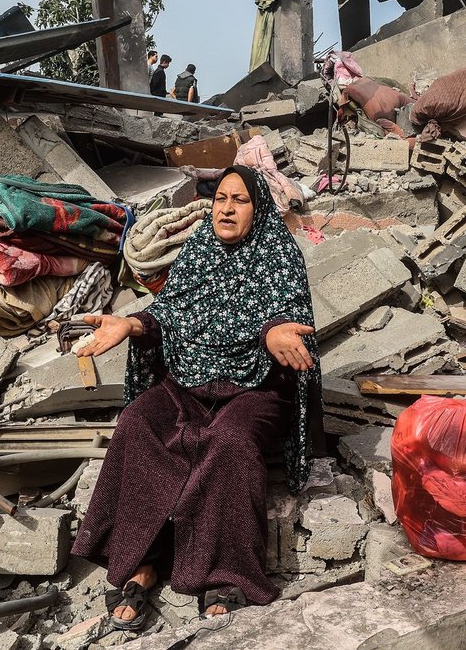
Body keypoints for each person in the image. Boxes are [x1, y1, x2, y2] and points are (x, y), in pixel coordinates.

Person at [72, 166, 324, 632]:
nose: (226, 208)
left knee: (227, 441)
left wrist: (274, 331)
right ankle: (142, 563)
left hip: (255, 388)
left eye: (240, 200)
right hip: (188, 382)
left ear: (259, 208)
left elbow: (292, 316)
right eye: (220, 198)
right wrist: (132, 323)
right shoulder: (199, 248)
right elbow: (171, 311)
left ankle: (223, 574)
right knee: (137, 424)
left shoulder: (279, 253)